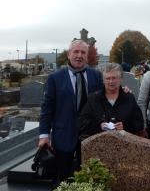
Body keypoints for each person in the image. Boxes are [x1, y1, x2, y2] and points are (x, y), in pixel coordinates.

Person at [38, 40, 103, 185]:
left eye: (83, 52)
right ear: (69, 54)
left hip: (89, 135)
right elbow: (47, 108)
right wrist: (44, 135)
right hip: (63, 135)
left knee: (88, 177)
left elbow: (104, 98)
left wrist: (123, 91)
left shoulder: (96, 76)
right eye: (76, 52)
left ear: (87, 56)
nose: (79, 55)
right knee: (62, 178)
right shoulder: (55, 78)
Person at [79, 63, 144, 138]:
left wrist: (125, 127)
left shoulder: (129, 98)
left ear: (121, 79)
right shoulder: (93, 98)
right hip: (99, 144)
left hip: (124, 144)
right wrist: (99, 126)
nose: (111, 81)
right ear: (103, 80)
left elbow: (139, 123)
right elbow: (82, 122)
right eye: (108, 78)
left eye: (114, 78)